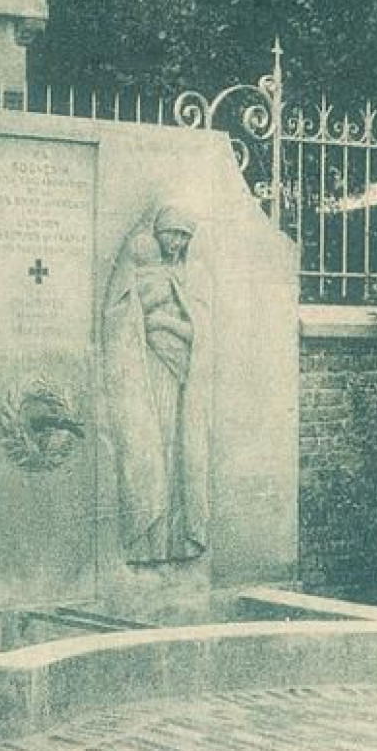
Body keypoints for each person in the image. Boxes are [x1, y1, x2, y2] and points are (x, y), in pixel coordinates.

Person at [102, 202, 209, 563]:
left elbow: (202, 331)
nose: (177, 242)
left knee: (180, 455)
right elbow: (123, 321)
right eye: (171, 234)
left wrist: (165, 325)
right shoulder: (141, 274)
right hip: (149, 373)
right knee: (153, 451)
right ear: (156, 235)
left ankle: (176, 541)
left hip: (182, 377)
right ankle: (151, 542)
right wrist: (153, 326)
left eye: (184, 236)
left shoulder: (191, 278)